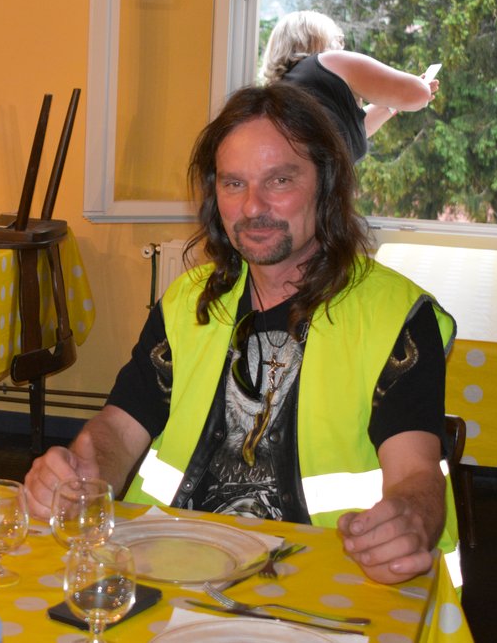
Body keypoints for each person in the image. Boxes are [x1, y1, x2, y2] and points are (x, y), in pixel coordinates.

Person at [25, 84, 459, 586]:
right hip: (174, 570)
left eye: (280, 180)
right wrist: (83, 470)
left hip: (327, 581)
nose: (253, 207)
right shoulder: (189, 302)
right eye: (234, 184)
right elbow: (119, 430)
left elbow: (416, 474)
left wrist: (410, 517)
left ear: (327, 184)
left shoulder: (394, 315)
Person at [259, 10, 439, 163]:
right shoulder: (329, 61)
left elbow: (354, 131)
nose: (340, 46)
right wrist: (415, 88)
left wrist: (395, 99)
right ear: (316, 39)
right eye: (336, 39)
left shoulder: (290, 90)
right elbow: (418, 94)